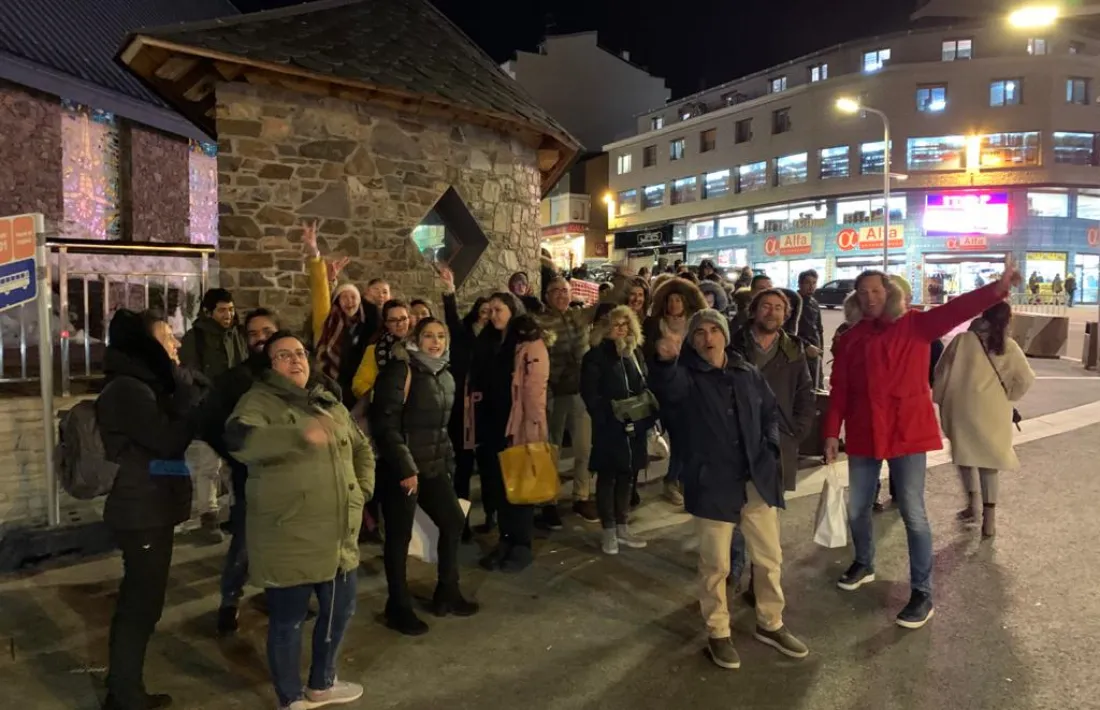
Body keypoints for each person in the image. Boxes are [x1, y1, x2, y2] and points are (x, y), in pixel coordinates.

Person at [824, 256, 1021, 630]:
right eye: (863, 293)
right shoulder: (850, 338)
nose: (870, 298)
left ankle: (922, 592)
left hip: (906, 433)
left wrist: (998, 287)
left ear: (890, 293)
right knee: (857, 509)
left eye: (876, 291)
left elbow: (959, 306)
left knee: (914, 513)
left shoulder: (916, 325)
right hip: (865, 434)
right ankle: (864, 562)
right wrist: (832, 431)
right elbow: (840, 390)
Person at [649, 309, 808, 670]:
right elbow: (667, 392)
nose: (708, 338)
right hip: (712, 483)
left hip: (757, 479)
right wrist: (665, 360)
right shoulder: (686, 376)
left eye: (713, 330)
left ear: (724, 334)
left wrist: (769, 447)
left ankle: (771, 622)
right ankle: (718, 631)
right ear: (691, 340)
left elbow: (769, 411)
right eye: (700, 332)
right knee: (716, 563)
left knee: (769, 558)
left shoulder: (745, 371)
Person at [226, 332, 375, 710]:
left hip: (339, 531)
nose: (296, 361)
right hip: (289, 534)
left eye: (300, 353)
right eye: (283, 355)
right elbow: (240, 441)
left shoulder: (327, 400)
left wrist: (361, 491)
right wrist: (298, 434)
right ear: (269, 364)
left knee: (338, 611)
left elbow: (360, 447)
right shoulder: (257, 402)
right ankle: (290, 697)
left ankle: (322, 684)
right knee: (288, 621)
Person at [98, 309, 199, 710]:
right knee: (141, 602)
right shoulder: (128, 389)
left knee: (144, 598)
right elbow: (168, 440)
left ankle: (123, 687)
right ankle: (124, 694)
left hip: (151, 503)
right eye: (167, 337)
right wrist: (188, 401)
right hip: (140, 509)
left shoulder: (143, 384)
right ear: (145, 343)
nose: (175, 343)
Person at [372, 317, 479, 635]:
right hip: (401, 469)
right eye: (429, 336)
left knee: (453, 521)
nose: (436, 342)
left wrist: (447, 462)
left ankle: (447, 591)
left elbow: (441, 427)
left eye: (441, 336)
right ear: (416, 339)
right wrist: (405, 469)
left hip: (433, 465)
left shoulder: (444, 373)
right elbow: (385, 424)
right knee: (398, 537)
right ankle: (398, 606)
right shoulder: (400, 370)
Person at [727, 290, 815, 599]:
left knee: (765, 522)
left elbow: (805, 394)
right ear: (754, 311)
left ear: (786, 315)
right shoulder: (733, 345)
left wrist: (797, 432)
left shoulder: (793, 351)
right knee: (733, 514)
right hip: (736, 441)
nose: (772, 312)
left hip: (775, 445)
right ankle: (732, 570)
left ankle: (758, 584)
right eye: (766, 306)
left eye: (779, 308)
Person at [200, 307, 281, 634]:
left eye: (267, 331)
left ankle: (279, 599)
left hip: (289, 474)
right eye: (253, 333)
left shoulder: (292, 372)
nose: (260, 338)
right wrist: (236, 455)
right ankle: (230, 600)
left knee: (282, 541)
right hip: (252, 474)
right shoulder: (237, 380)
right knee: (246, 541)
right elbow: (209, 422)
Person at [933, 302, 1035, 538]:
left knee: (966, 456)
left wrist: (941, 399)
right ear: (1008, 320)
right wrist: (1008, 396)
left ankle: (971, 506)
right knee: (989, 464)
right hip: (993, 411)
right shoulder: (1009, 347)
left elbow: (940, 372)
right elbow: (1026, 379)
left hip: (961, 409)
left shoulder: (962, 341)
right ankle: (989, 522)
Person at [469, 293, 551, 572]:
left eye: (499, 309)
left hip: (517, 424)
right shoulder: (488, 341)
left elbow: (535, 392)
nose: (493, 314)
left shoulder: (529, 344)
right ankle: (505, 539)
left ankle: (521, 544)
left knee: (520, 486)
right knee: (498, 486)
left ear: (512, 310)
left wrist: (533, 429)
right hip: (491, 423)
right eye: (490, 309)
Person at [581, 304, 656, 555]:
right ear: (606, 327)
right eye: (616, 324)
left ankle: (623, 526)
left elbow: (643, 384)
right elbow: (590, 393)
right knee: (608, 477)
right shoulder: (595, 356)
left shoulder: (635, 354)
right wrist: (606, 417)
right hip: (610, 426)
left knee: (628, 475)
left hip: (634, 425)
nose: (621, 329)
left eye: (625, 324)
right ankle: (609, 531)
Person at [178, 287, 246, 543]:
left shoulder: (236, 335)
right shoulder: (195, 337)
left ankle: (236, 511)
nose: (228, 315)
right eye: (222, 310)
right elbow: (189, 371)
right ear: (208, 311)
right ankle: (208, 515)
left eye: (230, 309)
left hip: (235, 406)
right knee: (209, 465)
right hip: (209, 408)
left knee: (235, 462)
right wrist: (210, 391)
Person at [538, 277, 601, 526]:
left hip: (580, 392)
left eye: (565, 290)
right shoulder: (540, 321)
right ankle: (548, 501)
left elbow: (606, 304)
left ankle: (581, 495)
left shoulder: (579, 316)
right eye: (556, 291)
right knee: (550, 449)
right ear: (547, 296)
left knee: (584, 447)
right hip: (554, 393)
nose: (562, 295)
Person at [641, 277, 707, 506]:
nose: (674, 304)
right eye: (670, 300)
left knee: (682, 440)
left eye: (678, 299)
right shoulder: (653, 324)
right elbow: (644, 353)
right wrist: (659, 355)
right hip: (656, 388)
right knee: (643, 438)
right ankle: (630, 485)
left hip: (684, 391)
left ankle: (673, 480)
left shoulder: (695, 325)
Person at [439, 269, 491, 537]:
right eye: (482, 311)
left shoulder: (496, 342)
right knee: (463, 468)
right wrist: (449, 290)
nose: (486, 316)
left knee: (488, 468)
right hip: (462, 411)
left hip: (485, 414)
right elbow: (450, 317)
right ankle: (463, 521)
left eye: (490, 313)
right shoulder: (462, 336)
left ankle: (491, 516)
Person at [304, 224, 369, 409]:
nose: (349, 301)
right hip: (326, 388)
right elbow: (321, 294)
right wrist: (315, 254)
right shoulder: (327, 321)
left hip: (355, 393)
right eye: (344, 297)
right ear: (337, 301)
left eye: (353, 297)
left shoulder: (366, 325)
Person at [351, 299, 413, 400]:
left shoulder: (420, 345)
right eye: (393, 320)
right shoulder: (374, 350)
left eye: (403, 319)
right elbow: (359, 385)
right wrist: (381, 396)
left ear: (409, 320)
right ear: (386, 323)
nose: (400, 324)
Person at [795, 270, 824, 385]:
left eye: (814, 283)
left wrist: (821, 349)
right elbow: (787, 331)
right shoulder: (793, 302)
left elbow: (819, 328)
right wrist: (805, 345)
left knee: (817, 383)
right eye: (808, 283)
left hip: (814, 351)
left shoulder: (814, 303)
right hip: (799, 351)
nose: (811, 286)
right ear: (800, 284)